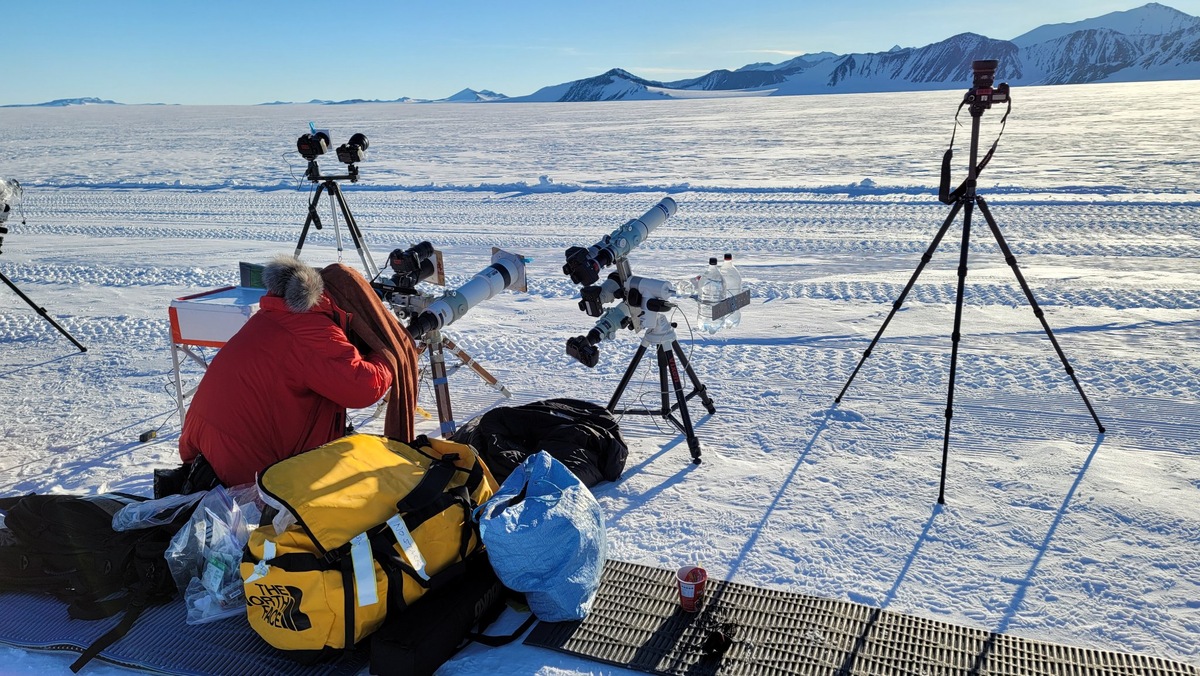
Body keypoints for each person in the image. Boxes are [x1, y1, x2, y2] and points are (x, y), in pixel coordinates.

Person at [178, 255, 394, 487]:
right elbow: (363, 387)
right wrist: (388, 356)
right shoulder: (312, 330)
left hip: (203, 449)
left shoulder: (273, 315)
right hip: (247, 472)